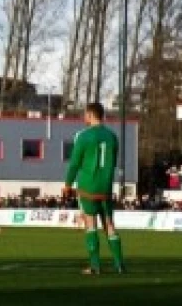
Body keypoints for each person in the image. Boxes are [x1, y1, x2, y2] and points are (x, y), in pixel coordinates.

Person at [65, 102, 125, 275]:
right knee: (110, 225)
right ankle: (119, 264)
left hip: (87, 186)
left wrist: (68, 184)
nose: (84, 118)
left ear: (91, 115)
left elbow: (75, 163)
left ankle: (95, 266)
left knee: (90, 225)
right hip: (105, 186)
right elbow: (113, 163)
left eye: (85, 114)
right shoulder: (112, 137)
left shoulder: (83, 136)